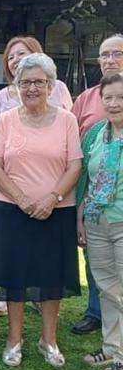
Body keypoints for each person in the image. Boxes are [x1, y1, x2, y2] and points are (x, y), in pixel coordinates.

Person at [0, 53, 81, 368]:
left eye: (38, 82)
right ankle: (14, 339)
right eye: (25, 82)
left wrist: (51, 198)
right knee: (15, 274)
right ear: (16, 86)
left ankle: (48, 340)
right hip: (11, 209)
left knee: (51, 273)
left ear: (50, 85)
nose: (31, 88)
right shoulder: (5, 120)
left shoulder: (67, 120)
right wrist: (22, 198)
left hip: (57, 210)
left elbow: (74, 166)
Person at [70, 34, 123, 335]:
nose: (110, 59)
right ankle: (96, 312)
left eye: (117, 53)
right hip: (94, 203)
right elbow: (77, 147)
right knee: (98, 263)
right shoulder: (86, 98)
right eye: (104, 54)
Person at [76, 72, 123, 370]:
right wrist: (79, 218)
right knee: (106, 287)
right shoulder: (95, 133)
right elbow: (85, 179)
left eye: (121, 97)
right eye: (108, 97)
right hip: (95, 221)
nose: (114, 103)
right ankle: (112, 347)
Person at [0, 37, 73, 113]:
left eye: (21, 53)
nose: (15, 60)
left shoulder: (58, 87)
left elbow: (71, 119)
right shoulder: (2, 96)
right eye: (10, 58)